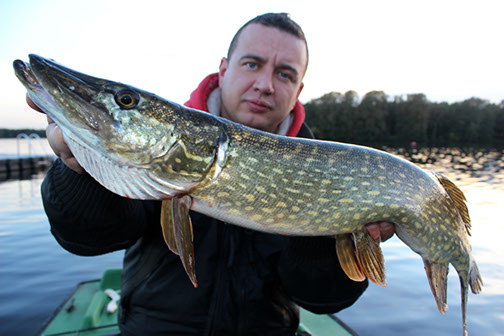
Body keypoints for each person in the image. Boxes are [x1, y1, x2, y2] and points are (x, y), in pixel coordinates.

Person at [28, 13, 395, 335]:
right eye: (252, 64)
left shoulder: (332, 171)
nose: (265, 84)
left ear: (298, 90)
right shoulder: (164, 147)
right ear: (223, 69)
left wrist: (328, 228)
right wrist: (78, 169)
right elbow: (86, 238)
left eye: (284, 74)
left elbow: (322, 298)